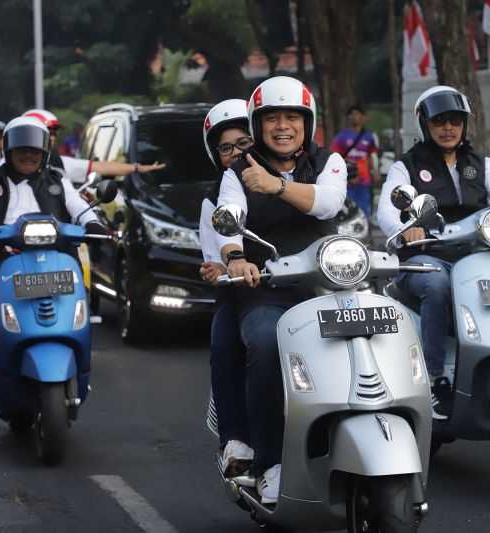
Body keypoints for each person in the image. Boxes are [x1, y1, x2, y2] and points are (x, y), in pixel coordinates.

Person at [377, 86, 490, 420]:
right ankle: (435, 380)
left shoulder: (480, 163)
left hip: (476, 255)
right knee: (436, 287)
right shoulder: (408, 166)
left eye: (456, 121)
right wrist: (406, 230)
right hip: (426, 256)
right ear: (425, 124)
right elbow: (387, 212)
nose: (448, 128)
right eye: (440, 121)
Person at [217, 76, 347, 504]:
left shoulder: (329, 162)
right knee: (266, 342)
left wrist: (278, 187)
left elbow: (328, 204)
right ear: (257, 125)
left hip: (327, 286)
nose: (282, 126)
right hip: (267, 288)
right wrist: (236, 256)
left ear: (307, 123)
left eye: (293, 116)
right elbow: (228, 216)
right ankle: (269, 462)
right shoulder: (240, 170)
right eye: (271, 117)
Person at [0, 116, 105, 382]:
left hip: (56, 256)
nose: (28, 155)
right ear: (8, 151)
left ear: (44, 152)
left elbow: (78, 208)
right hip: (5, 257)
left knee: (79, 295)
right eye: (22, 150)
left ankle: (81, 360)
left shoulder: (57, 181)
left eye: (34, 150)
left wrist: (93, 223)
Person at [199, 99, 254, 478]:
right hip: (243, 293)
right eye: (226, 148)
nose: (236, 153)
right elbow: (216, 254)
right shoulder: (215, 199)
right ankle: (234, 439)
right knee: (224, 343)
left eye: (244, 143)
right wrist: (220, 267)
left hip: (303, 289)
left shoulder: (296, 180)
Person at [23, 109, 165, 185]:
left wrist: (138, 168)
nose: (52, 137)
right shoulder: (4, 172)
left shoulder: (57, 166)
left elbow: (100, 167)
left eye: (54, 133)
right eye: (47, 132)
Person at [329, 105, 380, 218]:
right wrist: (345, 175)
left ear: (363, 117)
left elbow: (373, 155)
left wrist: (376, 172)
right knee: (347, 209)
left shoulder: (370, 136)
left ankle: (365, 233)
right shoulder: (341, 137)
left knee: (364, 208)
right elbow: (334, 157)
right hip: (346, 180)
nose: (354, 116)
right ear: (348, 118)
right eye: (351, 114)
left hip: (364, 179)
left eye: (357, 114)